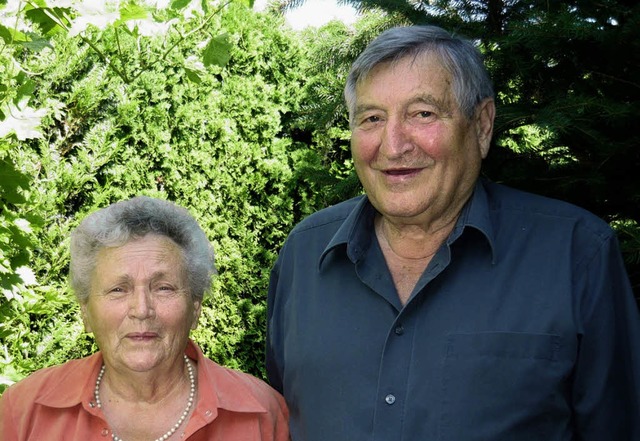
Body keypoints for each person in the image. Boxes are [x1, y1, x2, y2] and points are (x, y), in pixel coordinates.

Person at [266, 25, 640, 441]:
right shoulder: (304, 254)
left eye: (422, 113)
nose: (393, 145)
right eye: (371, 118)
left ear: (481, 125)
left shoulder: (576, 254)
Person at [0, 196, 289, 441]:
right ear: (86, 312)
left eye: (163, 288)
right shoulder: (24, 411)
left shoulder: (263, 415)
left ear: (195, 308)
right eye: (118, 289)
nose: (141, 309)